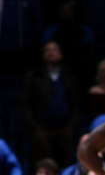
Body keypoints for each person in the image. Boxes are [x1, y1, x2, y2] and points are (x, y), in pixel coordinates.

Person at [22, 40, 80, 168]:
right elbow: (26, 103)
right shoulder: (34, 76)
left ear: (61, 55)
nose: (51, 52)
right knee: (40, 163)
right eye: (48, 50)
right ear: (43, 56)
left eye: (55, 49)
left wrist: (73, 123)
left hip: (65, 126)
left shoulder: (69, 75)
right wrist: (33, 125)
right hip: (42, 127)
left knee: (64, 162)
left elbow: (76, 101)